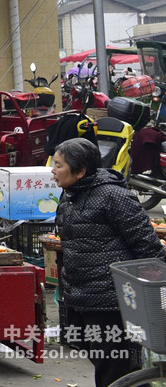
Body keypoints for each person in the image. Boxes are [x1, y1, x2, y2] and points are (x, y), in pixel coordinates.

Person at [53, 137, 165, 387]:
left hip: (112, 299)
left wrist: (156, 296)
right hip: (80, 294)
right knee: (107, 360)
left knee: (114, 367)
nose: (53, 170)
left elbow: (147, 246)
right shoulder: (71, 194)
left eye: (59, 165)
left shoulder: (114, 196)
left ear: (81, 171)